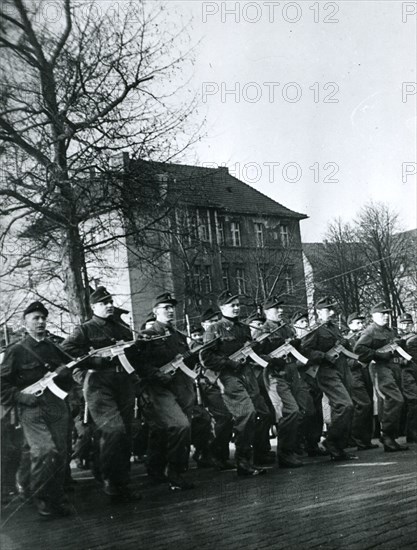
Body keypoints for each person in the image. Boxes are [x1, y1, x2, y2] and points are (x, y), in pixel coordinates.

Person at [62, 287, 141, 501]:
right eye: (103, 303)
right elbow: (66, 349)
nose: (109, 306)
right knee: (113, 430)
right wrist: (92, 361)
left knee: (125, 432)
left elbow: (133, 354)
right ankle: (109, 479)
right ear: (93, 307)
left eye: (110, 302)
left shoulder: (122, 328)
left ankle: (121, 480)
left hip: (123, 382)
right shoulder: (85, 330)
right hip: (98, 384)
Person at [0, 301, 73, 517]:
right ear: (25, 323)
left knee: (60, 453)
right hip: (31, 408)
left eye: (43, 318)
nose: (41, 322)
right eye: (35, 318)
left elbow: (72, 369)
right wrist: (20, 396)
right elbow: (2, 383)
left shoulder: (54, 347)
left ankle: (53, 497)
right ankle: (42, 498)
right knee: (44, 451)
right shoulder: (16, 350)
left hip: (56, 406)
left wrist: (66, 378)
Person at [202, 291, 271, 476]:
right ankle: (243, 461)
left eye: (237, 305)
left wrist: (255, 346)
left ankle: (254, 455)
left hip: (247, 374)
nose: (236, 308)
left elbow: (252, 351)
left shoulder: (244, 328)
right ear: (222, 308)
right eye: (232, 305)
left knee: (262, 413)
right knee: (246, 414)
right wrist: (229, 362)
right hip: (228, 376)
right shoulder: (214, 329)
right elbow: (206, 358)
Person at [137, 292, 195, 490]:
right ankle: (176, 472)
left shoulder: (178, 335)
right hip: (158, 389)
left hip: (179, 387)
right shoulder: (148, 335)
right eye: (165, 307)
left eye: (172, 307)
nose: (170, 311)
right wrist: (156, 374)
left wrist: (194, 354)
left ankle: (155, 470)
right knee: (180, 426)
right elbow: (139, 364)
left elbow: (187, 361)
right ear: (155, 312)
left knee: (162, 429)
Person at [301, 297, 356, 461]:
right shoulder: (315, 329)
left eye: (332, 309)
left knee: (342, 407)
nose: (332, 312)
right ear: (318, 312)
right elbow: (305, 350)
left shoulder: (335, 328)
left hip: (342, 370)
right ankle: (331, 442)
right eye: (328, 310)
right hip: (326, 371)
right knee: (346, 405)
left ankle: (337, 447)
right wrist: (323, 355)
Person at [354, 303, 409, 452]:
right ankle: (387, 436)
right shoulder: (370, 331)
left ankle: (390, 437)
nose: (385, 316)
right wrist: (377, 354)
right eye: (382, 313)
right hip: (380, 368)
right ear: (373, 316)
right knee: (396, 399)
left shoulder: (389, 331)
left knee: (392, 400)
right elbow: (358, 349)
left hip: (393, 367)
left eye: (387, 313)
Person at [259, 297, 303, 467]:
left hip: (292, 372)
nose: (280, 311)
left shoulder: (286, 328)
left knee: (299, 411)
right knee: (289, 411)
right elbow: (255, 353)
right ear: (267, 312)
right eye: (276, 308)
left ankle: (292, 449)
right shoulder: (262, 330)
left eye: (280, 308)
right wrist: (272, 359)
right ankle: (285, 454)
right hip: (276, 374)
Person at [290, 311, 327, 457]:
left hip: (313, 378)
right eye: (301, 322)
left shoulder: (310, 340)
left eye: (306, 322)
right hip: (300, 378)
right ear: (294, 326)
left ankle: (313, 443)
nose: (305, 325)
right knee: (306, 411)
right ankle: (299, 443)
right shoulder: (293, 342)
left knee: (317, 412)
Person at [345, 312, 378, 451]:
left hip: (366, 372)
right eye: (357, 323)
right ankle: (357, 438)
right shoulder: (346, 340)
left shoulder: (365, 337)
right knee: (363, 404)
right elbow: (344, 357)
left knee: (368, 403)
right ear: (350, 324)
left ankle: (365, 439)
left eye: (362, 323)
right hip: (354, 373)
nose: (361, 325)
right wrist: (356, 363)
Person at [396, 313, 417, 443]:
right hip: (406, 373)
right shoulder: (397, 340)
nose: (406, 326)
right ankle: (411, 433)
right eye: (404, 323)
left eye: (409, 323)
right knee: (413, 401)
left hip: (414, 371)